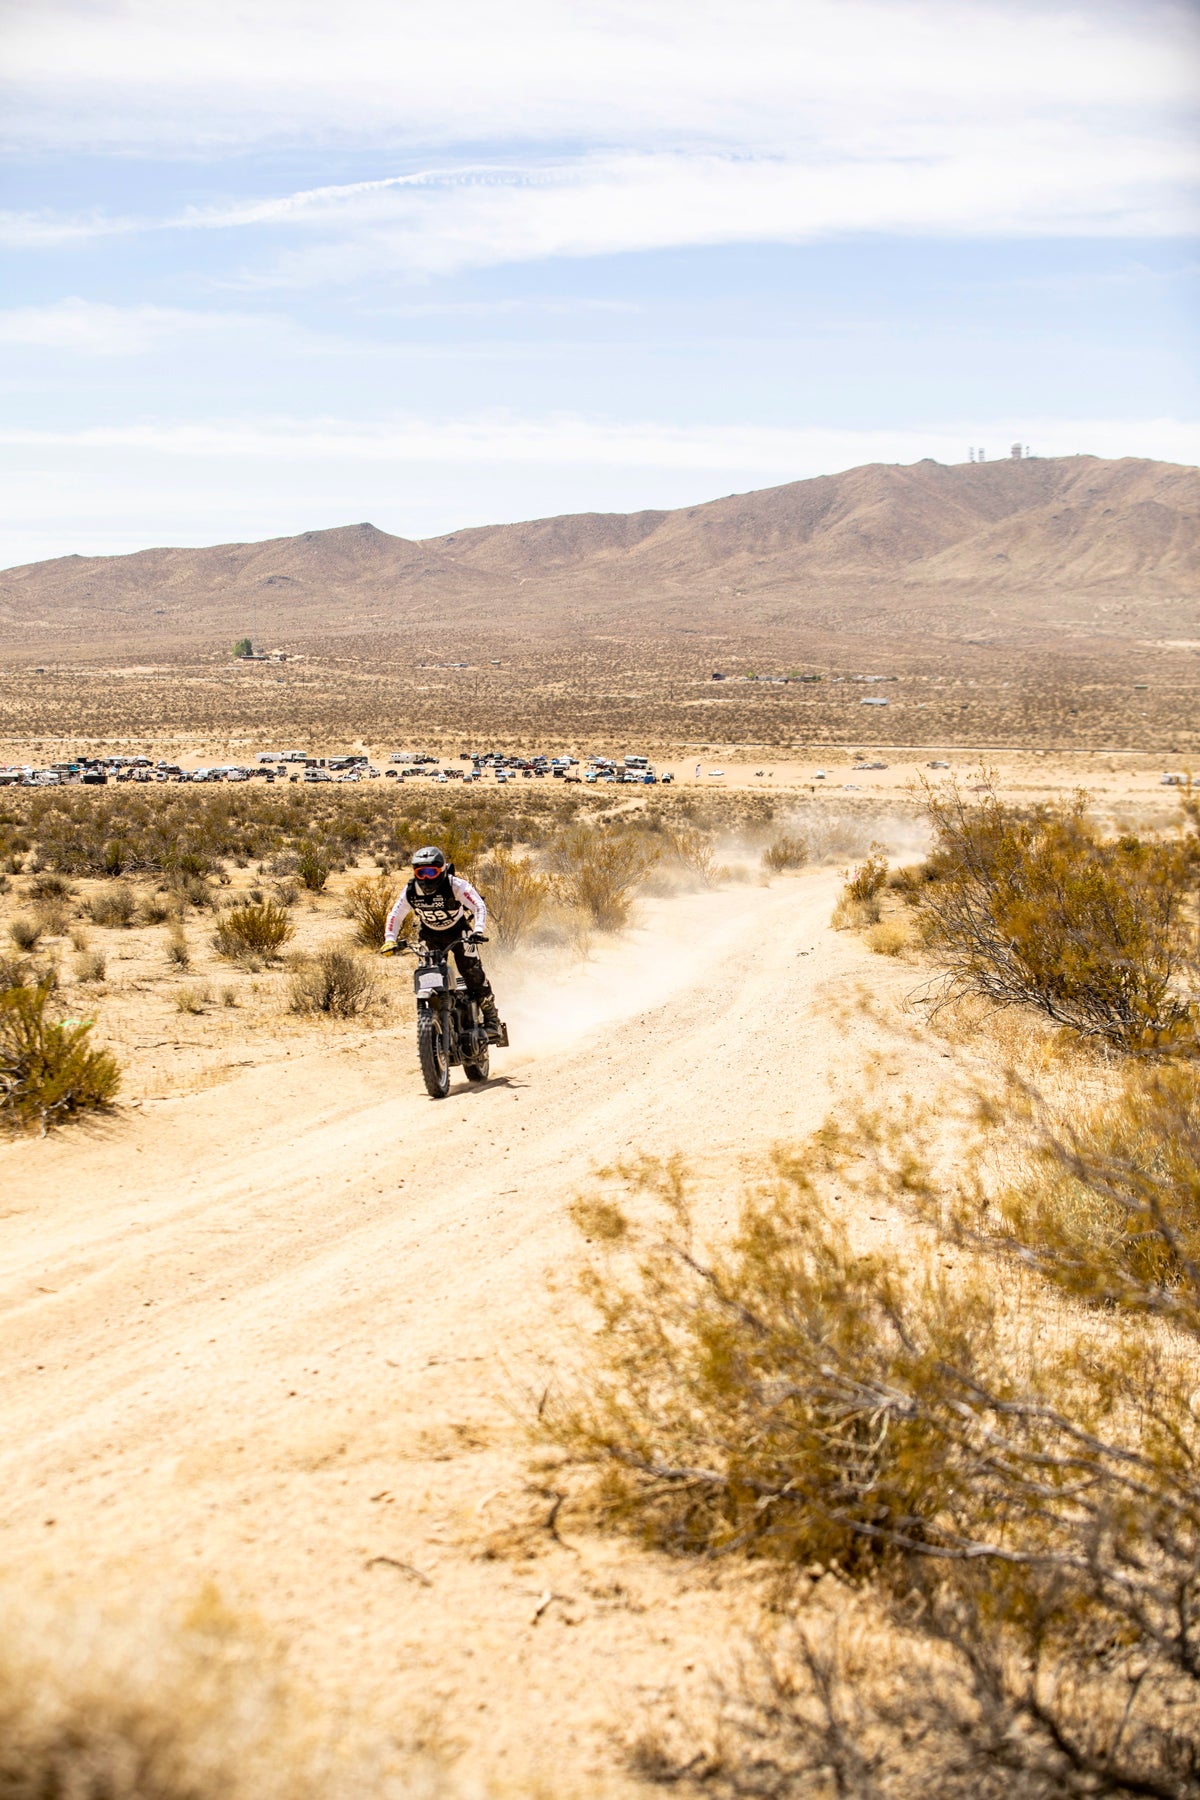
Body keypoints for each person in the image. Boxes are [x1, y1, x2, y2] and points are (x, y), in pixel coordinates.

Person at [381, 846, 502, 1038]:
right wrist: (390, 939)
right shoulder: (411, 891)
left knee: (472, 972)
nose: (426, 878)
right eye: (421, 872)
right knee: (428, 974)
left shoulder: (456, 886)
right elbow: (395, 915)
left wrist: (478, 930)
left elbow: (478, 905)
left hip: (459, 932)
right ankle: (436, 1016)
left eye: (431, 872)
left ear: (442, 870)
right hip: (430, 935)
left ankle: (491, 1019)